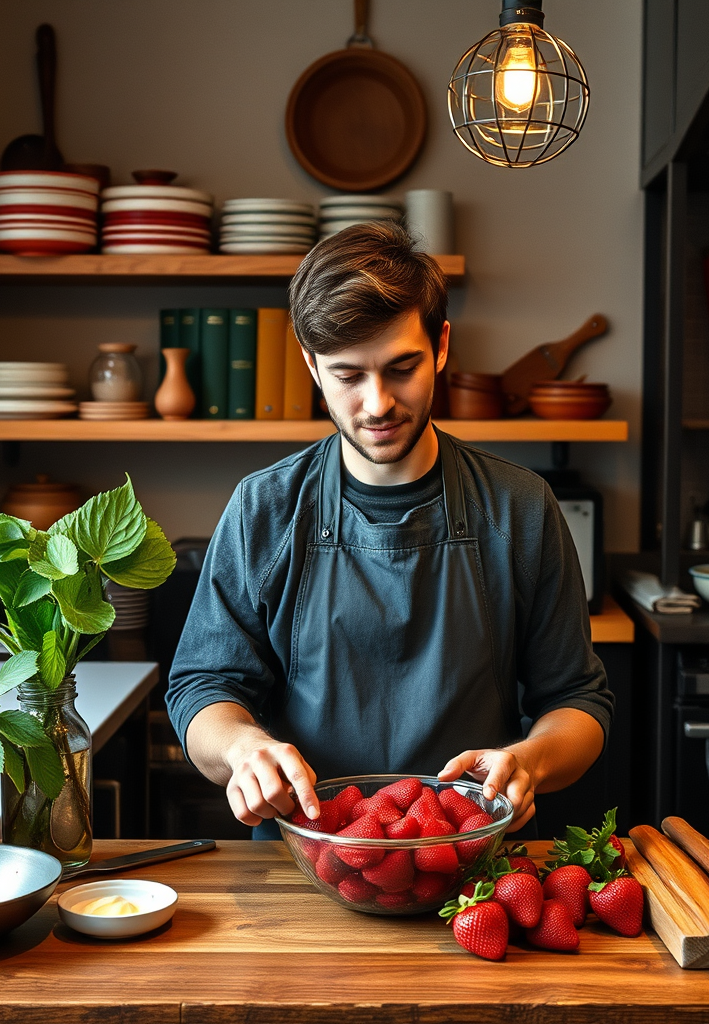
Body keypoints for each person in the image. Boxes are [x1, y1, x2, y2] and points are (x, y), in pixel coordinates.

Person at [166, 222, 613, 838]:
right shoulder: (262, 509)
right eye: (348, 376)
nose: (378, 403)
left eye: (402, 367)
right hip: (305, 865)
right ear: (311, 366)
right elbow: (201, 685)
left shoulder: (520, 506)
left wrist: (530, 760)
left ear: (443, 346)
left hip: (472, 865)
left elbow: (579, 702)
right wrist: (242, 747)